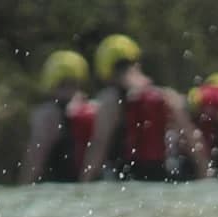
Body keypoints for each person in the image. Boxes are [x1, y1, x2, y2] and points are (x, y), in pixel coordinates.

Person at [79, 34, 207, 182]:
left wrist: (84, 182)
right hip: (165, 176)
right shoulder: (166, 94)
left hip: (128, 179)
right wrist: (206, 174)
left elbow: (99, 146)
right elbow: (192, 139)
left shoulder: (110, 99)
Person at [19, 49, 96, 184]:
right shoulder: (95, 108)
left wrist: (23, 188)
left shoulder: (47, 114)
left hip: (62, 189)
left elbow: (35, 161)